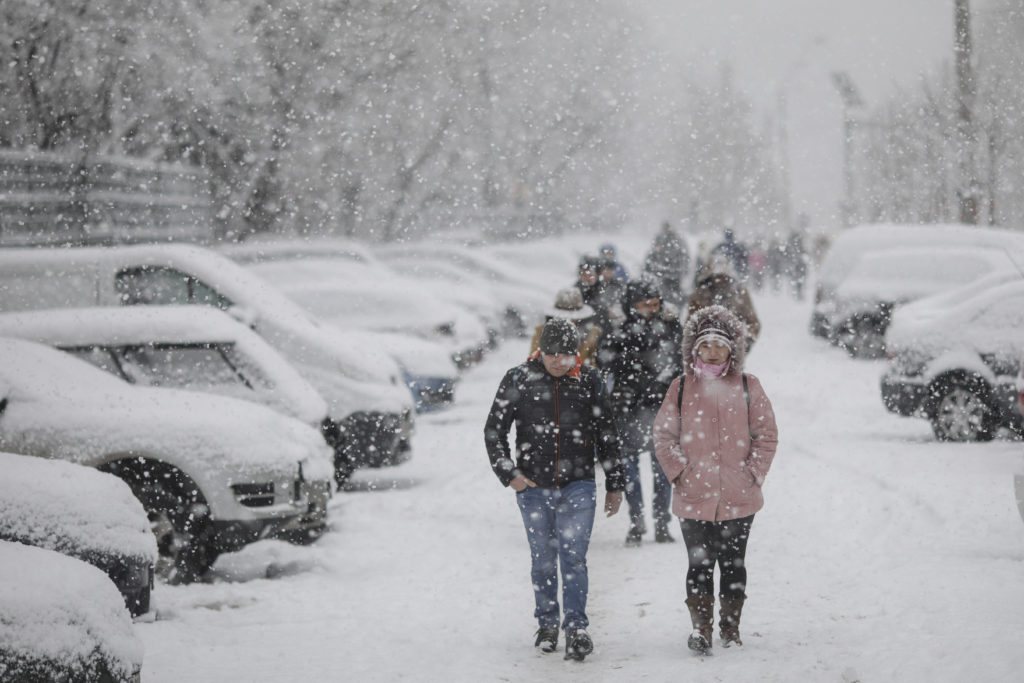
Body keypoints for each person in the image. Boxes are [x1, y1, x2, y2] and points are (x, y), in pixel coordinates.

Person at [484, 318, 626, 661]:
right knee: (544, 560)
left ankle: (576, 627)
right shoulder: (518, 378)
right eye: (552, 354)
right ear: (540, 351)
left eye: (566, 354)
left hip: (578, 484)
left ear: (576, 353)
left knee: (574, 557)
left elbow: (607, 433)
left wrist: (615, 483)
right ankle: (547, 623)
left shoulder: (590, 380)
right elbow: (494, 432)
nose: (559, 361)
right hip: (533, 486)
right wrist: (510, 474)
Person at [653, 305, 778, 654]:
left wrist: (751, 473)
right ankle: (701, 629)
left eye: (719, 345)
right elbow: (663, 437)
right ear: (694, 348)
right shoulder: (680, 387)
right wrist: (680, 472)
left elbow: (766, 435)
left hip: (740, 496)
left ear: (732, 349)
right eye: (705, 344)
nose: (712, 351)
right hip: (693, 494)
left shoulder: (748, 386)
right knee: (699, 562)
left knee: (733, 562)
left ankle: (730, 628)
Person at [597, 279, 683, 546]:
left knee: (663, 470)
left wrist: (660, 382)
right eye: (645, 305)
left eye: (655, 304)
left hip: (661, 407)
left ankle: (661, 522)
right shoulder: (618, 328)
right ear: (632, 305)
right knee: (630, 472)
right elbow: (604, 357)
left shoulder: (670, 326)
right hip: (627, 409)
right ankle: (636, 522)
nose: (651, 309)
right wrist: (631, 374)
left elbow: (680, 360)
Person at [686, 255, 761, 352]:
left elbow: (753, 323)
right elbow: (690, 323)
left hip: (732, 348)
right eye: (717, 277)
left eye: (723, 277)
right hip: (705, 349)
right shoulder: (700, 294)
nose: (720, 280)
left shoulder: (739, 294)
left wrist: (746, 341)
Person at [529, 288, 603, 366]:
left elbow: (596, 366)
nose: (567, 320)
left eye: (572, 318)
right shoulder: (541, 331)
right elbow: (533, 363)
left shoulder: (593, 333)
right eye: (562, 316)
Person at [642, 221, 689, 308]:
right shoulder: (659, 243)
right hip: (663, 278)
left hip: (672, 278)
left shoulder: (676, 243)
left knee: (673, 299)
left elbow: (683, 260)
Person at [575, 255, 624, 333]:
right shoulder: (574, 291)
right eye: (583, 275)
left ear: (598, 275)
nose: (587, 278)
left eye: (590, 275)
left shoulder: (607, 291)